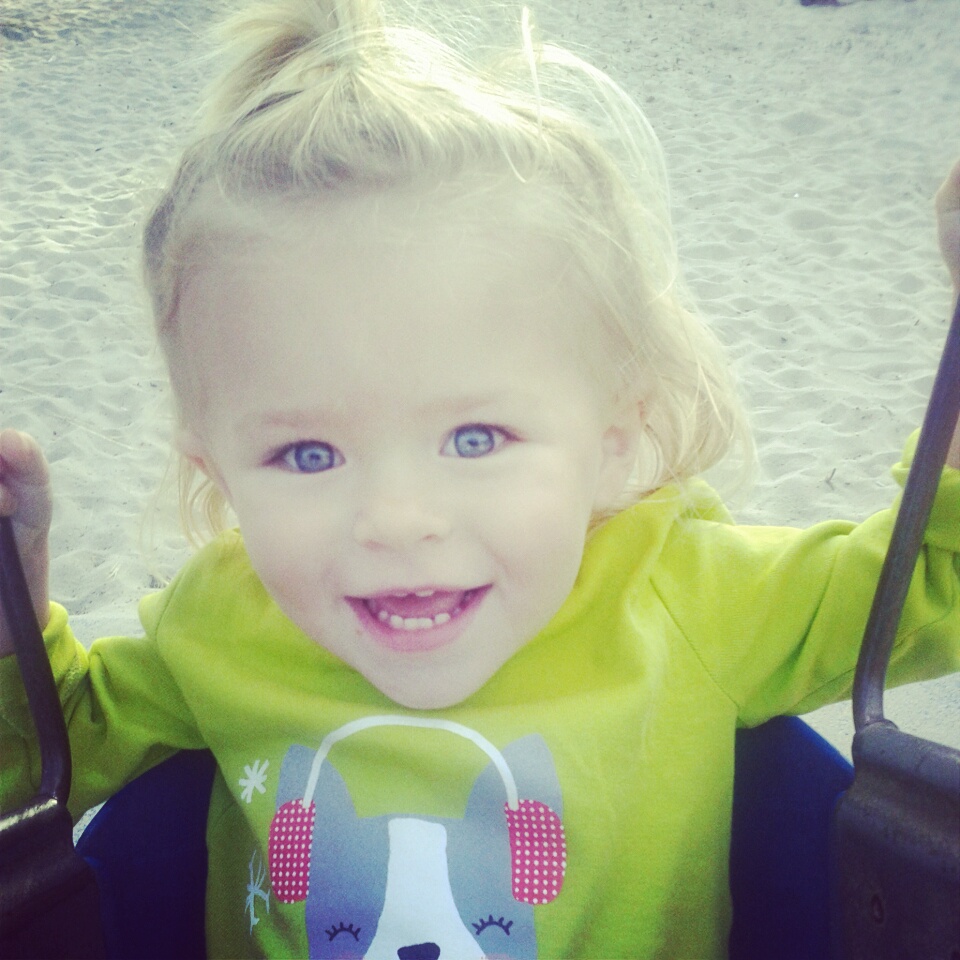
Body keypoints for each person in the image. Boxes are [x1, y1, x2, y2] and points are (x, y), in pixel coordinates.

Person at [1, 0, 958, 956]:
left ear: (614, 438)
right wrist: (15, 605)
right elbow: (45, 761)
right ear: (212, 467)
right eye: (308, 454)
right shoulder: (224, 621)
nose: (397, 519)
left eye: (475, 437)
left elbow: (929, 581)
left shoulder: (679, 600)